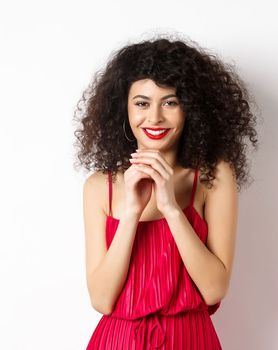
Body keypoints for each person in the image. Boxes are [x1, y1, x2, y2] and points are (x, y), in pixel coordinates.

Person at [73, 34, 259, 349]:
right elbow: (103, 300)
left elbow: (214, 289)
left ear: (191, 109)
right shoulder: (99, 187)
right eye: (142, 103)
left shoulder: (213, 177)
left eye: (170, 102)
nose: (155, 117)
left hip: (190, 340)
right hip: (118, 342)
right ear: (124, 110)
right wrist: (131, 213)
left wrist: (171, 207)